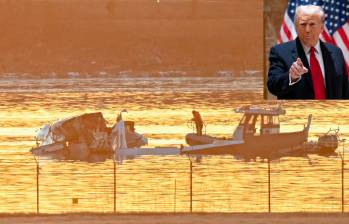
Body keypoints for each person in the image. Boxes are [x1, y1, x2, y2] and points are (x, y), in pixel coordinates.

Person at [267, 5, 349, 99]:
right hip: (299, 113)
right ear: (296, 27)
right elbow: (272, 86)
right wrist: (292, 77)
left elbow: (345, 91)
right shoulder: (280, 52)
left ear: (321, 27)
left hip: (331, 112)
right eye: (303, 24)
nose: (307, 30)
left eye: (312, 24)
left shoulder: (336, 52)